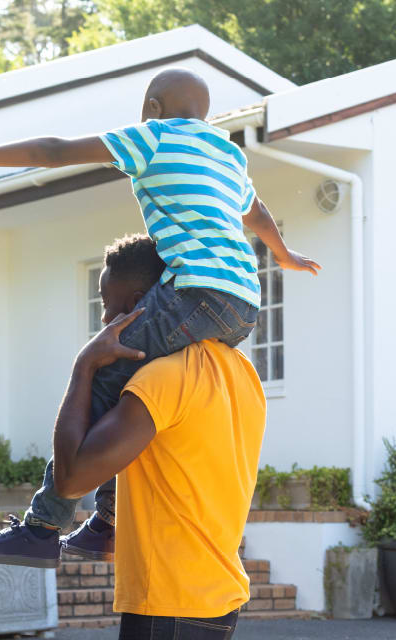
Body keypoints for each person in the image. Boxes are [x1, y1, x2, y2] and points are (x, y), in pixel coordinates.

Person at [0, 68, 317, 568]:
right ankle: (108, 523)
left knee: (100, 370)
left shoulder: (155, 136)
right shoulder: (226, 153)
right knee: (136, 384)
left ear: (155, 107)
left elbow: (54, 151)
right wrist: (284, 253)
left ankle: (40, 529)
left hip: (195, 294)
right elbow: (256, 213)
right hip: (242, 306)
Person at [22, 235, 266, 638]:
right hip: (218, 596)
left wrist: (84, 367)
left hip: (168, 601)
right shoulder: (242, 372)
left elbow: (70, 480)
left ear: (140, 303)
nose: (104, 321)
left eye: (106, 305)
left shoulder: (162, 377)